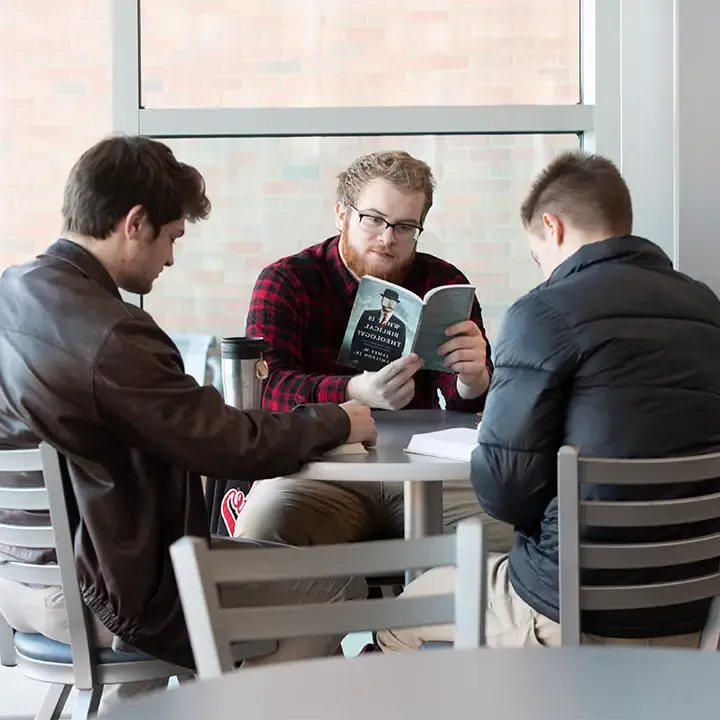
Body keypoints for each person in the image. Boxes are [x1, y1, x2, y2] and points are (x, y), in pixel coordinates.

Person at [0, 135, 377, 696]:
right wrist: (341, 419)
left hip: (23, 581)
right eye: (171, 238)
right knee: (335, 583)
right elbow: (228, 445)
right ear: (135, 223)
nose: (171, 258)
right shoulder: (111, 334)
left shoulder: (15, 293)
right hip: (106, 591)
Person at [378, 150, 720, 651]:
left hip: (571, 613)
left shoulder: (542, 314)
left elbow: (503, 493)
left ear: (552, 227)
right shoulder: (707, 307)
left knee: (400, 617)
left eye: (538, 255)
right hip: (695, 612)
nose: (543, 271)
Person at [240, 150, 514, 550]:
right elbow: (269, 389)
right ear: (341, 215)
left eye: (405, 226)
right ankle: (351, 610)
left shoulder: (442, 280)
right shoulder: (287, 281)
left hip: (427, 474)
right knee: (264, 527)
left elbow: (467, 406)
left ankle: (433, 610)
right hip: (320, 473)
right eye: (374, 220)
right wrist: (352, 393)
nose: (388, 239)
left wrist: (475, 380)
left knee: (522, 532)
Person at [349, 287, 407, 370]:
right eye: (386, 300)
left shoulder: (401, 326)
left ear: (395, 304)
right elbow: (357, 337)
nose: (388, 304)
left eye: (392, 302)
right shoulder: (367, 315)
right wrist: (354, 358)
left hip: (383, 368)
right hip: (362, 362)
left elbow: (398, 350)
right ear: (382, 300)